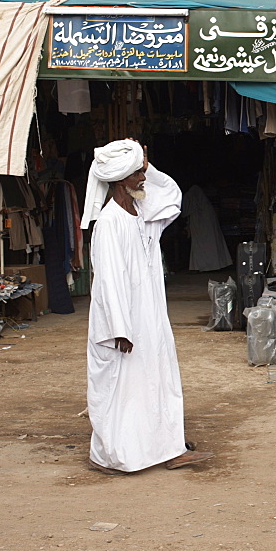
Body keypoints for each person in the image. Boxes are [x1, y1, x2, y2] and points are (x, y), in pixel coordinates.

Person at [80, 138, 213, 475]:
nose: (144, 179)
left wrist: (146, 164)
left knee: (157, 379)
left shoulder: (142, 214)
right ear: (122, 179)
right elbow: (108, 282)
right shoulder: (110, 223)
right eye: (138, 174)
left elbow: (171, 196)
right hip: (124, 323)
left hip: (150, 318)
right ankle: (116, 455)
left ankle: (167, 446)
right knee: (125, 388)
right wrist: (119, 329)